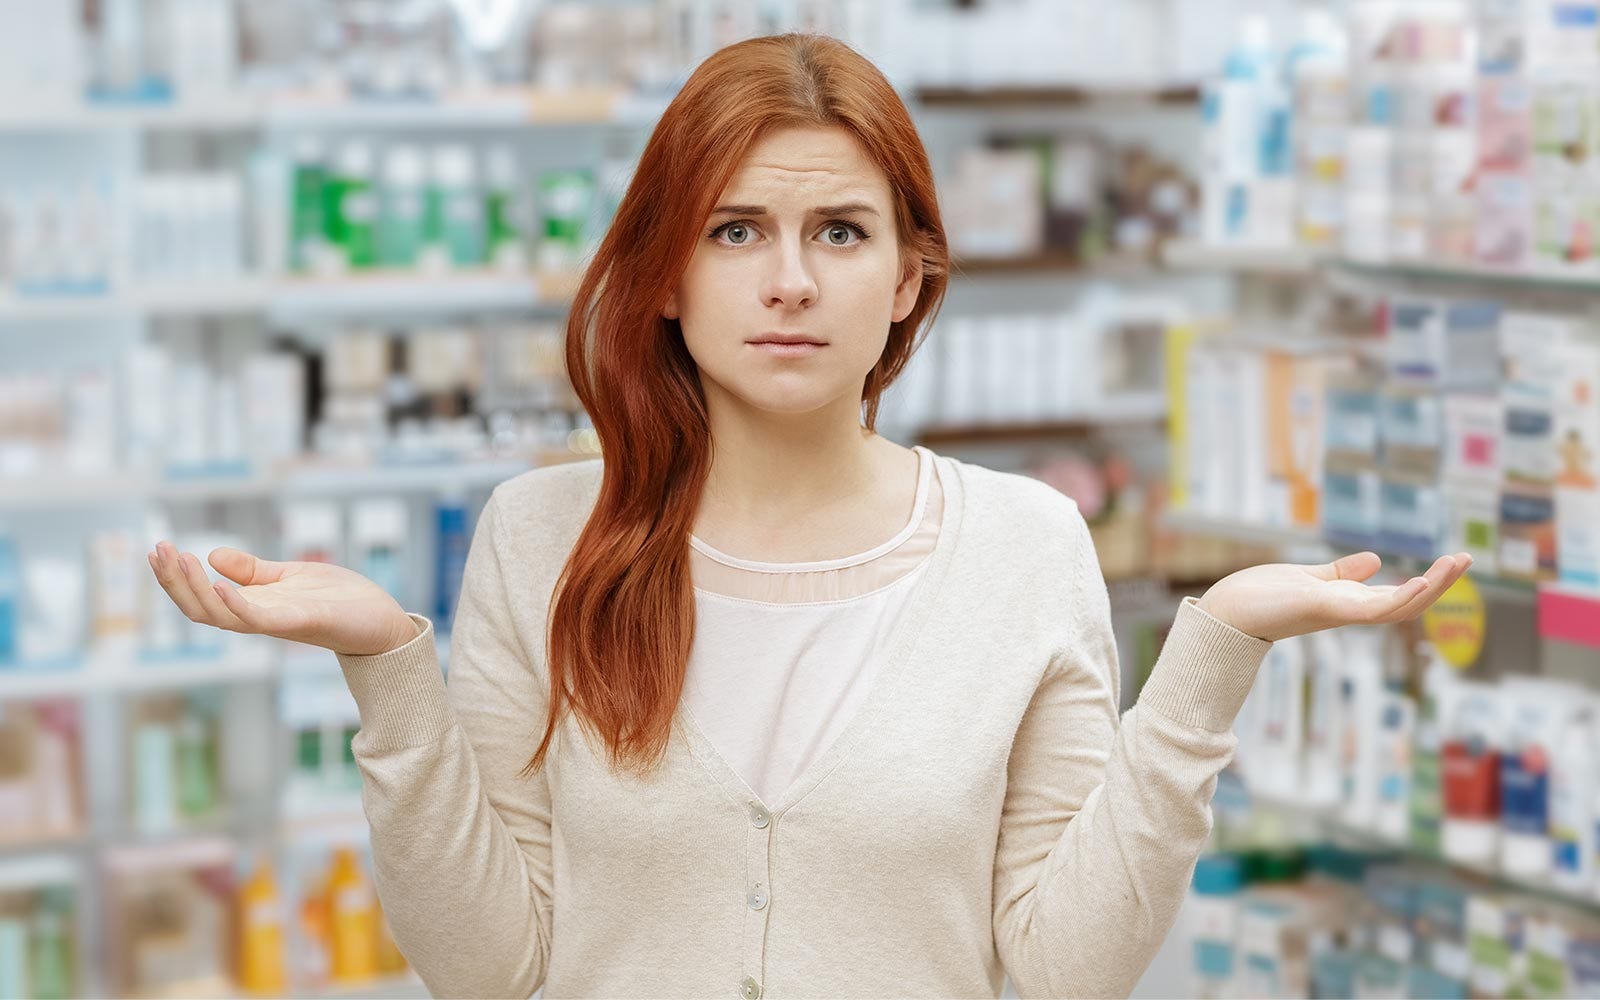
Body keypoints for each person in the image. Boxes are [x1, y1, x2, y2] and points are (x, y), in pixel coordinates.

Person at [147, 33, 1471, 1000]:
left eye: (840, 233)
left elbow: (1062, 971)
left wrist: (1214, 650)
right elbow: (489, 966)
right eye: (734, 232)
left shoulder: (1024, 545)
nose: (788, 282)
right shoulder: (543, 536)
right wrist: (388, 667)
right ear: (663, 272)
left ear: (909, 278)